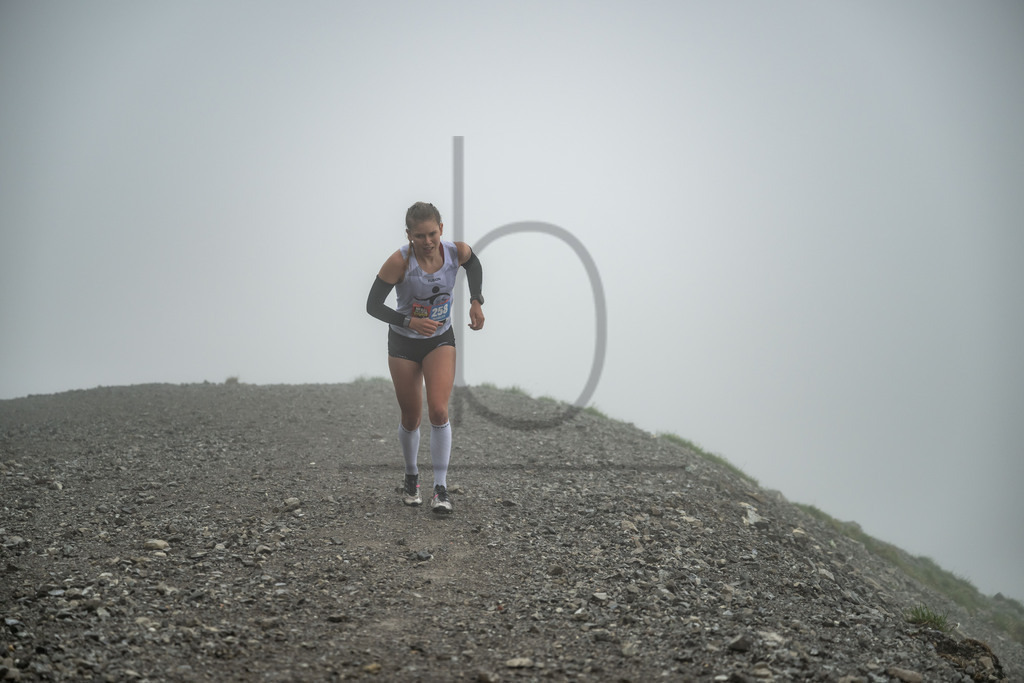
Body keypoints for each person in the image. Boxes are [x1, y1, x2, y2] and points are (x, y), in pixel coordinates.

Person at [365, 201, 485, 514]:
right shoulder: (399, 262)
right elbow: (373, 305)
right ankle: (411, 476)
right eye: (420, 236)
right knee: (411, 417)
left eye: (432, 233)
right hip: (404, 343)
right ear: (409, 236)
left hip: (439, 340)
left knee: (439, 410)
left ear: (441, 230)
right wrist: (409, 321)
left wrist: (476, 300)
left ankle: (441, 488)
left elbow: (474, 264)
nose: (427, 241)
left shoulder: (455, 252)